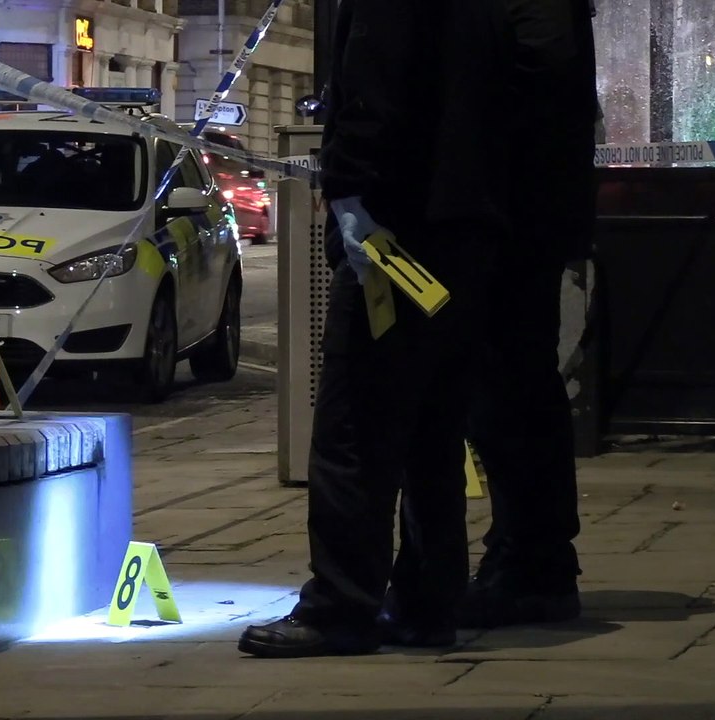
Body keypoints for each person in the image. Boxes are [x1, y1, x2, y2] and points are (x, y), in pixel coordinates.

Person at [237, 0, 513, 658]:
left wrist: (351, 191)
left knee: (354, 427)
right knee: (432, 432)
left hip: (397, 233)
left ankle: (341, 606)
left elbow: (371, 90)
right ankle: (426, 604)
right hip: (463, 230)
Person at [453, 0, 600, 629]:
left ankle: (531, 562)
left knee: (510, 393)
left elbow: (531, 87)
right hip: (523, 214)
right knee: (511, 391)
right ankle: (528, 556)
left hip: (515, 219)